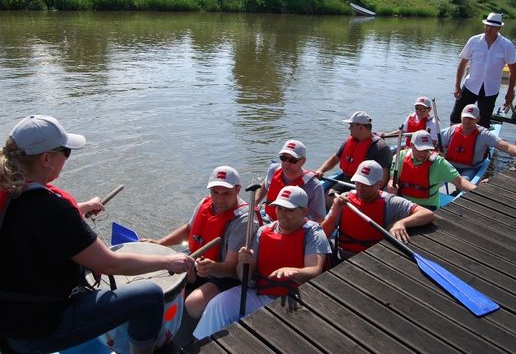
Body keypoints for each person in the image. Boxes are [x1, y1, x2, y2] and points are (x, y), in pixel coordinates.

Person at [0, 115, 194, 354]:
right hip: (39, 330)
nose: (67, 158)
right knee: (150, 296)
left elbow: (31, 224)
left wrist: (80, 208)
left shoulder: (9, 191)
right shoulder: (51, 209)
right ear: (46, 159)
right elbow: (109, 263)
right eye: (66, 152)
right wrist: (168, 260)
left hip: (9, 321)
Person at [192, 186, 331, 339]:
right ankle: (201, 342)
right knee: (217, 304)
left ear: (304, 211)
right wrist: (245, 263)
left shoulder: (314, 233)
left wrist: (295, 271)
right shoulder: (263, 231)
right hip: (261, 293)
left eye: (289, 210)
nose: (282, 215)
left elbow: (314, 270)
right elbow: (244, 276)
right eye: (279, 208)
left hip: (294, 296)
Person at [143, 166, 259, 320]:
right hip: (200, 264)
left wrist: (212, 267)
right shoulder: (205, 203)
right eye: (215, 193)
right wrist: (159, 243)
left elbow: (232, 267)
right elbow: (188, 229)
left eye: (226, 194)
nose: (219, 200)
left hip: (226, 275)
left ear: (238, 189)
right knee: (156, 276)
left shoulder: (243, 221)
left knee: (194, 305)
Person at [322, 161, 434, 261]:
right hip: (342, 257)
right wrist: (334, 213)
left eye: (366, 184)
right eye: (358, 182)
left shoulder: (390, 202)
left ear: (379, 184)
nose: (360, 187)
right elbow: (324, 234)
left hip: (374, 259)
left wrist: (402, 223)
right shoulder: (344, 199)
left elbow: (427, 214)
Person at [450, 13, 516, 129]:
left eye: (492, 27)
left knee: (483, 122)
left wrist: (510, 91)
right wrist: (457, 86)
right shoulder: (474, 41)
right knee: (456, 116)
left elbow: (513, 70)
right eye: (487, 25)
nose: (488, 29)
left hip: (490, 89)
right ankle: (451, 142)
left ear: (499, 28)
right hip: (471, 85)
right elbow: (462, 63)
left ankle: (480, 144)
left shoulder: (507, 45)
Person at [442, 104, 516, 180]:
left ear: (478, 119)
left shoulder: (484, 134)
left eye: (471, 118)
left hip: (469, 169)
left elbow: (507, 147)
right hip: (449, 165)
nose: (467, 121)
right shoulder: (452, 130)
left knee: (463, 182)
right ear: (461, 117)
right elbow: (433, 142)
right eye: (465, 117)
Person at [387, 130, 476, 210]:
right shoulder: (400, 157)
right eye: (419, 149)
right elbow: (392, 179)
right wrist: (391, 185)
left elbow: (459, 181)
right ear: (411, 145)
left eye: (426, 150)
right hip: (403, 203)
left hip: (427, 208)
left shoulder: (439, 163)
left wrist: (478, 193)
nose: (422, 154)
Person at [315, 111, 393, 188]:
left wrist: (364, 193)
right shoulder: (349, 141)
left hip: (364, 186)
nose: (349, 128)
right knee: (328, 195)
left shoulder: (381, 148)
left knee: (341, 198)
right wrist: (320, 170)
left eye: (351, 125)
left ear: (361, 127)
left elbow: (383, 178)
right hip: (345, 180)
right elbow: (335, 159)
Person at [255, 139, 325, 223]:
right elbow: (264, 186)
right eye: (283, 158)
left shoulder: (314, 186)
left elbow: (319, 218)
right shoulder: (273, 170)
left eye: (292, 160)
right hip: (269, 220)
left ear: (303, 161)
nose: (286, 163)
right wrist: (255, 203)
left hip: (293, 228)